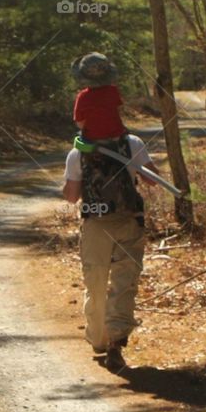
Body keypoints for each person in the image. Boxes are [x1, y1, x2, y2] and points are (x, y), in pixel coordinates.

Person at [62, 117, 158, 373]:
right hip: (129, 220)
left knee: (96, 281)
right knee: (124, 281)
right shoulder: (133, 143)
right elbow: (153, 180)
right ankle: (116, 342)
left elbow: (71, 197)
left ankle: (98, 339)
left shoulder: (77, 153)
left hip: (96, 224)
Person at [71, 52, 126, 143]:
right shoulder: (113, 91)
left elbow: (80, 124)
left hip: (92, 141)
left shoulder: (82, 96)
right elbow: (119, 110)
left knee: (73, 156)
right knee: (137, 144)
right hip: (117, 138)